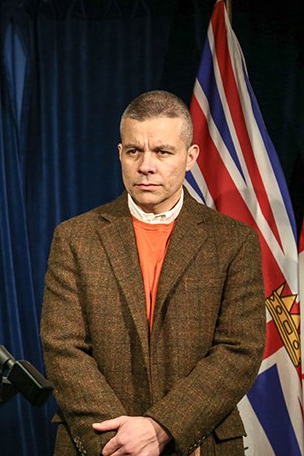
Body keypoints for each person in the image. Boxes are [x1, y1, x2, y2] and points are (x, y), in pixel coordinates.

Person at [40, 90, 265, 455]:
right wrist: (122, 441)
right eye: (134, 151)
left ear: (190, 157)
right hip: (103, 444)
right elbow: (63, 348)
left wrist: (164, 426)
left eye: (162, 152)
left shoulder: (234, 241)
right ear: (120, 154)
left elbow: (240, 349)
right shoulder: (74, 237)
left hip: (200, 441)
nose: (146, 165)